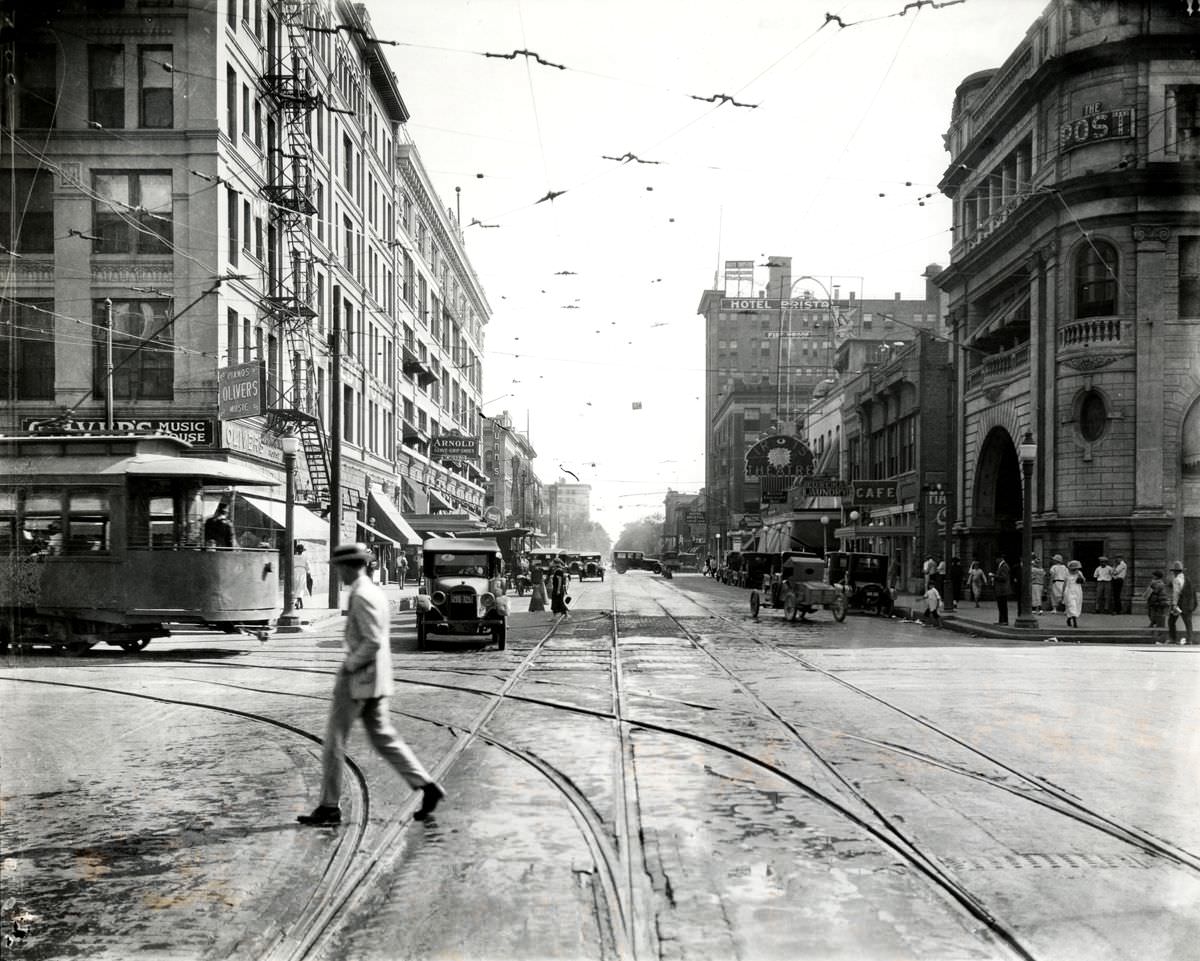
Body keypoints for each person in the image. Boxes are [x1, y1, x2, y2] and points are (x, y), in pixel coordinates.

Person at [298, 543, 445, 827]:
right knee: (383, 738)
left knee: (333, 742)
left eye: (339, 568)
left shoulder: (362, 594)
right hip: (376, 678)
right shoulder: (373, 591)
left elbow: (373, 640)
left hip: (359, 678)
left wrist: (350, 665)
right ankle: (427, 786)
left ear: (348, 567)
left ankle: (329, 807)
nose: (337, 573)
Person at [1166, 560, 1196, 646]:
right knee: (1188, 622)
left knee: (1171, 621)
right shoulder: (1187, 579)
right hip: (1188, 604)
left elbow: (1176, 593)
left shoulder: (1176, 580)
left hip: (1179, 604)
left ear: (1175, 572)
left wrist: (1174, 604)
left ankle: (1173, 639)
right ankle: (1189, 640)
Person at [1064, 560, 1085, 628]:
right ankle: (1074, 620)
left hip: (1077, 590)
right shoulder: (1067, 573)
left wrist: (1080, 577)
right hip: (1069, 590)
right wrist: (1063, 593)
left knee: (1077, 604)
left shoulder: (1079, 573)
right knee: (1071, 604)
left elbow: (1083, 581)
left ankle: (1069, 618)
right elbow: (1065, 583)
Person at [992, 555, 1012, 625]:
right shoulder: (1001, 566)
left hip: (1003, 589)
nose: (995, 561)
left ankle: (1004, 621)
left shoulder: (1004, 566)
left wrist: (994, 576)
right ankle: (1001, 620)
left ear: (1000, 559)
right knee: (1000, 606)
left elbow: (1004, 577)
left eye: (996, 559)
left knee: (1003, 605)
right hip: (1000, 589)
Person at [292, 542, 311, 609]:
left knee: (296, 587)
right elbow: (308, 566)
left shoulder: (293, 557)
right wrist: (308, 573)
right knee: (301, 587)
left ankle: (301, 604)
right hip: (302, 572)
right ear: (302, 551)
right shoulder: (305, 557)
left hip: (295, 571)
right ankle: (297, 602)